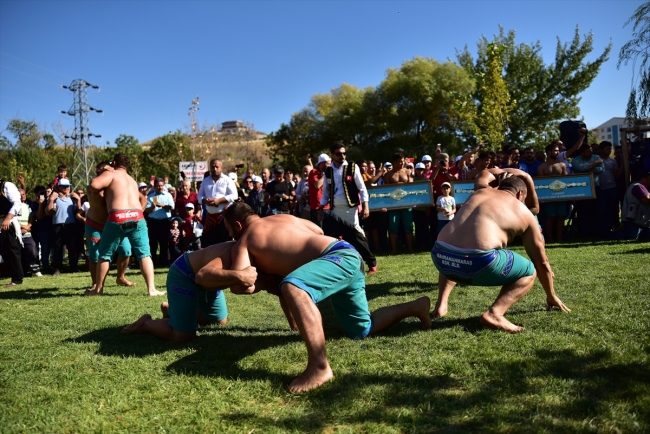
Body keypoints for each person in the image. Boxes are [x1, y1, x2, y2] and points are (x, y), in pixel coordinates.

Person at [223, 202, 432, 393]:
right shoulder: (284, 217)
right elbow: (318, 230)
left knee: (293, 287)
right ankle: (416, 306)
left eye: (229, 229)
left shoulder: (245, 239)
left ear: (238, 225)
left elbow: (240, 285)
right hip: (348, 255)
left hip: (337, 259)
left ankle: (319, 367)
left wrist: (261, 280)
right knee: (361, 330)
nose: (230, 235)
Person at [431, 174, 571, 333]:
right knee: (530, 270)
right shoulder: (523, 211)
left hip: (440, 256)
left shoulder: (478, 193)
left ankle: (441, 306)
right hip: (478, 262)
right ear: (520, 194)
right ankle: (495, 313)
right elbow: (542, 262)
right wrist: (551, 295)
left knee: (455, 246)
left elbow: (483, 175)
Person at [122, 242, 258, 341]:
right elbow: (203, 275)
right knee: (183, 336)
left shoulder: (255, 249)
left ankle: (171, 311)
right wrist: (240, 276)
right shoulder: (233, 249)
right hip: (185, 274)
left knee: (218, 321)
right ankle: (146, 323)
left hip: (209, 283)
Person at [87, 153, 165, 296]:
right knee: (144, 254)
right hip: (137, 217)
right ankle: (152, 289)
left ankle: (98, 289)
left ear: (114, 163)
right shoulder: (132, 180)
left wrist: (106, 171)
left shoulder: (112, 174)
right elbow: (142, 198)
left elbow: (93, 185)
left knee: (105, 255)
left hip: (118, 216)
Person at [319, 142, 378, 274]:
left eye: (344, 153)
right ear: (332, 155)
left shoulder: (352, 167)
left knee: (356, 236)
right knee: (330, 237)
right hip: (333, 209)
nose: (343, 156)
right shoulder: (328, 171)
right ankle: (334, 264)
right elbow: (326, 193)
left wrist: (366, 206)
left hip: (350, 208)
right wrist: (321, 207)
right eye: (339, 154)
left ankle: (372, 262)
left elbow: (362, 189)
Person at [83, 162, 138, 293]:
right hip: (95, 225)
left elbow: (142, 198)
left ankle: (120, 277)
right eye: (99, 170)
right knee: (95, 256)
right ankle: (96, 284)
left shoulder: (117, 183)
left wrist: (137, 212)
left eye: (105, 169)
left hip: (114, 225)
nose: (102, 171)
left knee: (126, 251)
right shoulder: (94, 186)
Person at [197, 158, 238, 247]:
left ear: (221, 168)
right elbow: (199, 196)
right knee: (207, 244)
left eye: (216, 167)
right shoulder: (205, 181)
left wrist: (218, 201)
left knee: (224, 244)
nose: (214, 169)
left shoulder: (227, 180)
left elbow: (234, 196)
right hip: (210, 217)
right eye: (212, 167)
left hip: (223, 216)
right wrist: (205, 200)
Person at [46, 178, 80, 275]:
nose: (66, 188)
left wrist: (78, 199)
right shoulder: (55, 197)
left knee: (72, 247)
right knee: (58, 248)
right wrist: (51, 200)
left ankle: (73, 267)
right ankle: (58, 268)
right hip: (58, 226)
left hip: (71, 226)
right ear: (58, 187)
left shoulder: (72, 198)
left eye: (68, 186)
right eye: (64, 186)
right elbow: (47, 212)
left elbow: (79, 210)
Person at [383, 152, 415, 254]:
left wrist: (413, 202)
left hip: (406, 203)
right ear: (394, 162)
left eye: (402, 161)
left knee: (408, 226)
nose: (402, 164)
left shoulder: (408, 172)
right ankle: (394, 249)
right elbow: (386, 191)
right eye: (399, 162)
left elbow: (411, 187)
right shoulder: (388, 175)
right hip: (393, 205)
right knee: (392, 226)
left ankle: (410, 248)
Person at [537, 142, 569, 243]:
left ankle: (559, 238)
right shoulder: (542, 167)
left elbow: (567, 181)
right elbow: (540, 185)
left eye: (558, 151)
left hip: (561, 196)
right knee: (550, 218)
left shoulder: (562, 165)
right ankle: (549, 238)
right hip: (548, 198)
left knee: (561, 217)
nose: (558, 153)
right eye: (556, 151)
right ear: (549, 152)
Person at [144, 178, 175, 267]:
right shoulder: (151, 196)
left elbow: (172, 207)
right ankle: (152, 263)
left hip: (165, 222)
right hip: (153, 222)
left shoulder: (168, 195)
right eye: (158, 186)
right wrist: (153, 206)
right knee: (153, 243)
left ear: (164, 186)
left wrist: (162, 205)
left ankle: (164, 262)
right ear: (154, 186)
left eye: (161, 185)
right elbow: (147, 211)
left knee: (164, 243)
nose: (160, 187)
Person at [0, 178, 24, 287]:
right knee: (3, 251)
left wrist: (8, 218)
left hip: (8, 221)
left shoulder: (6, 185)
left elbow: (17, 203)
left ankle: (17, 279)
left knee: (12, 250)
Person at [616, 170, 650, 240]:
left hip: (640, 222)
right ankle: (607, 234)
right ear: (643, 178)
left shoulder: (641, 187)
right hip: (633, 222)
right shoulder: (638, 187)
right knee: (629, 237)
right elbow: (646, 201)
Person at [18, 188, 42, 277]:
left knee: (32, 249)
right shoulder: (12, 206)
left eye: (23, 194)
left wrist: (28, 226)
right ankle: (20, 272)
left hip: (27, 233)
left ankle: (35, 271)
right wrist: (22, 227)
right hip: (16, 233)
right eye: (20, 195)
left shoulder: (27, 206)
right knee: (19, 253)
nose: (22, 196)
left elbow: (32, 218)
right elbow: (11, 219)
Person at [308, 154, 330, 226]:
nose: (330, 166)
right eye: (328, 163)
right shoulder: (314, 172)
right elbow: (317, 185)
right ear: (322, 163)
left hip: (328, 208)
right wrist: (326, 174)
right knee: (319, 232)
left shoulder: (330, 173)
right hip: (316, 208)